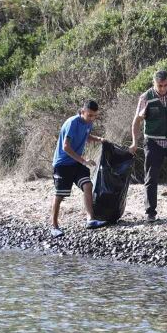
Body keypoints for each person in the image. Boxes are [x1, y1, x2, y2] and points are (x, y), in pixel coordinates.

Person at [129, 70, 167, 222]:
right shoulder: (145, 97)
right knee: (151, 175)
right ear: (154, 84)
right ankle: (151, 211)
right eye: (160, 86)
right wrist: (135, 142)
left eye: (165, 85)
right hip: (153, 141)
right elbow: (137, 120)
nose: (163, 88)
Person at [50, 100, 107, 237]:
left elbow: (86, 136)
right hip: (62, 164)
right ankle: (54, 226)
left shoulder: (88, 122)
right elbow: (66, 146)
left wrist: (99, 139)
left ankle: (90, 219)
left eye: (94, 116)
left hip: (76, 163)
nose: (92, 118)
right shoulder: (72, 123)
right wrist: (83, 160)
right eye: (90, 115)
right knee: (60, 195)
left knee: (88, 185)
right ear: (82, 112)